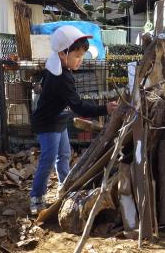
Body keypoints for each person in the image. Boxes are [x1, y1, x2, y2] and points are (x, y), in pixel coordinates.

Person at [30, 25, 118, 214]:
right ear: (63, 54)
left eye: (82, 56)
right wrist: (105, 108)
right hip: (48, 124)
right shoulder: (60, 78)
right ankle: (36, 198)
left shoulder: (57, 65)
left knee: (64, 155)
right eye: (77, 56)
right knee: (48, 159)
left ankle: (66, 187)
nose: (80, 60)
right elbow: (78, 106)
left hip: (58, 119)